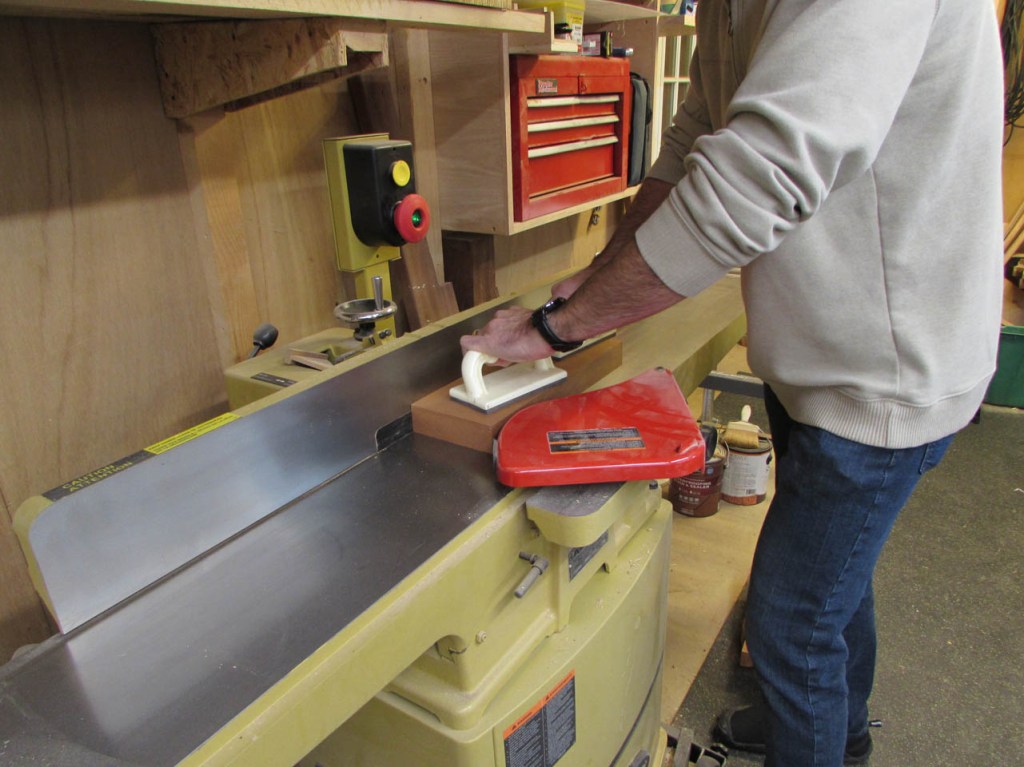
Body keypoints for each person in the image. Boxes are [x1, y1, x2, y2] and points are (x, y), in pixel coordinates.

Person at [461, 1, 1005, 765]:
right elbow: (696, 138)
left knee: (792, 623)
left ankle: (822, 737)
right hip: (824, 353)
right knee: (835, 581)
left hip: (885, 371)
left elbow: (759, 175)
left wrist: (557, 328)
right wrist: (600, 277)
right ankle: (837, 730)